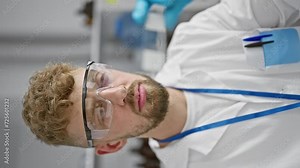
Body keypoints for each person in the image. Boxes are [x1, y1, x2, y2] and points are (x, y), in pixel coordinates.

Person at [22, 0, 300, 167]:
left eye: (101, 80)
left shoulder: (197, 37)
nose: (119, 92)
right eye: (100, 111)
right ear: (111, 146)